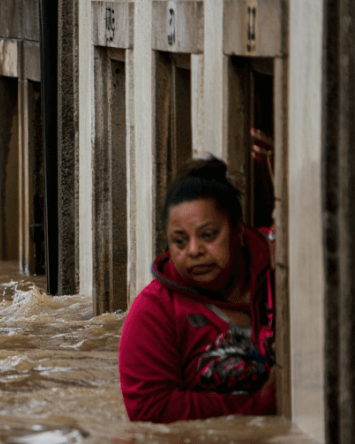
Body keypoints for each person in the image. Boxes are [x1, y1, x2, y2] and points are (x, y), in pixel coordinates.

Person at [118, 157, 276, 422]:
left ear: (238, 230)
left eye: (208, 235)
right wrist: (257, 405)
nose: (194, 251)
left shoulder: (283, 267)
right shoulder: (154, 311)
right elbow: (150, 409)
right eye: (180, 241)